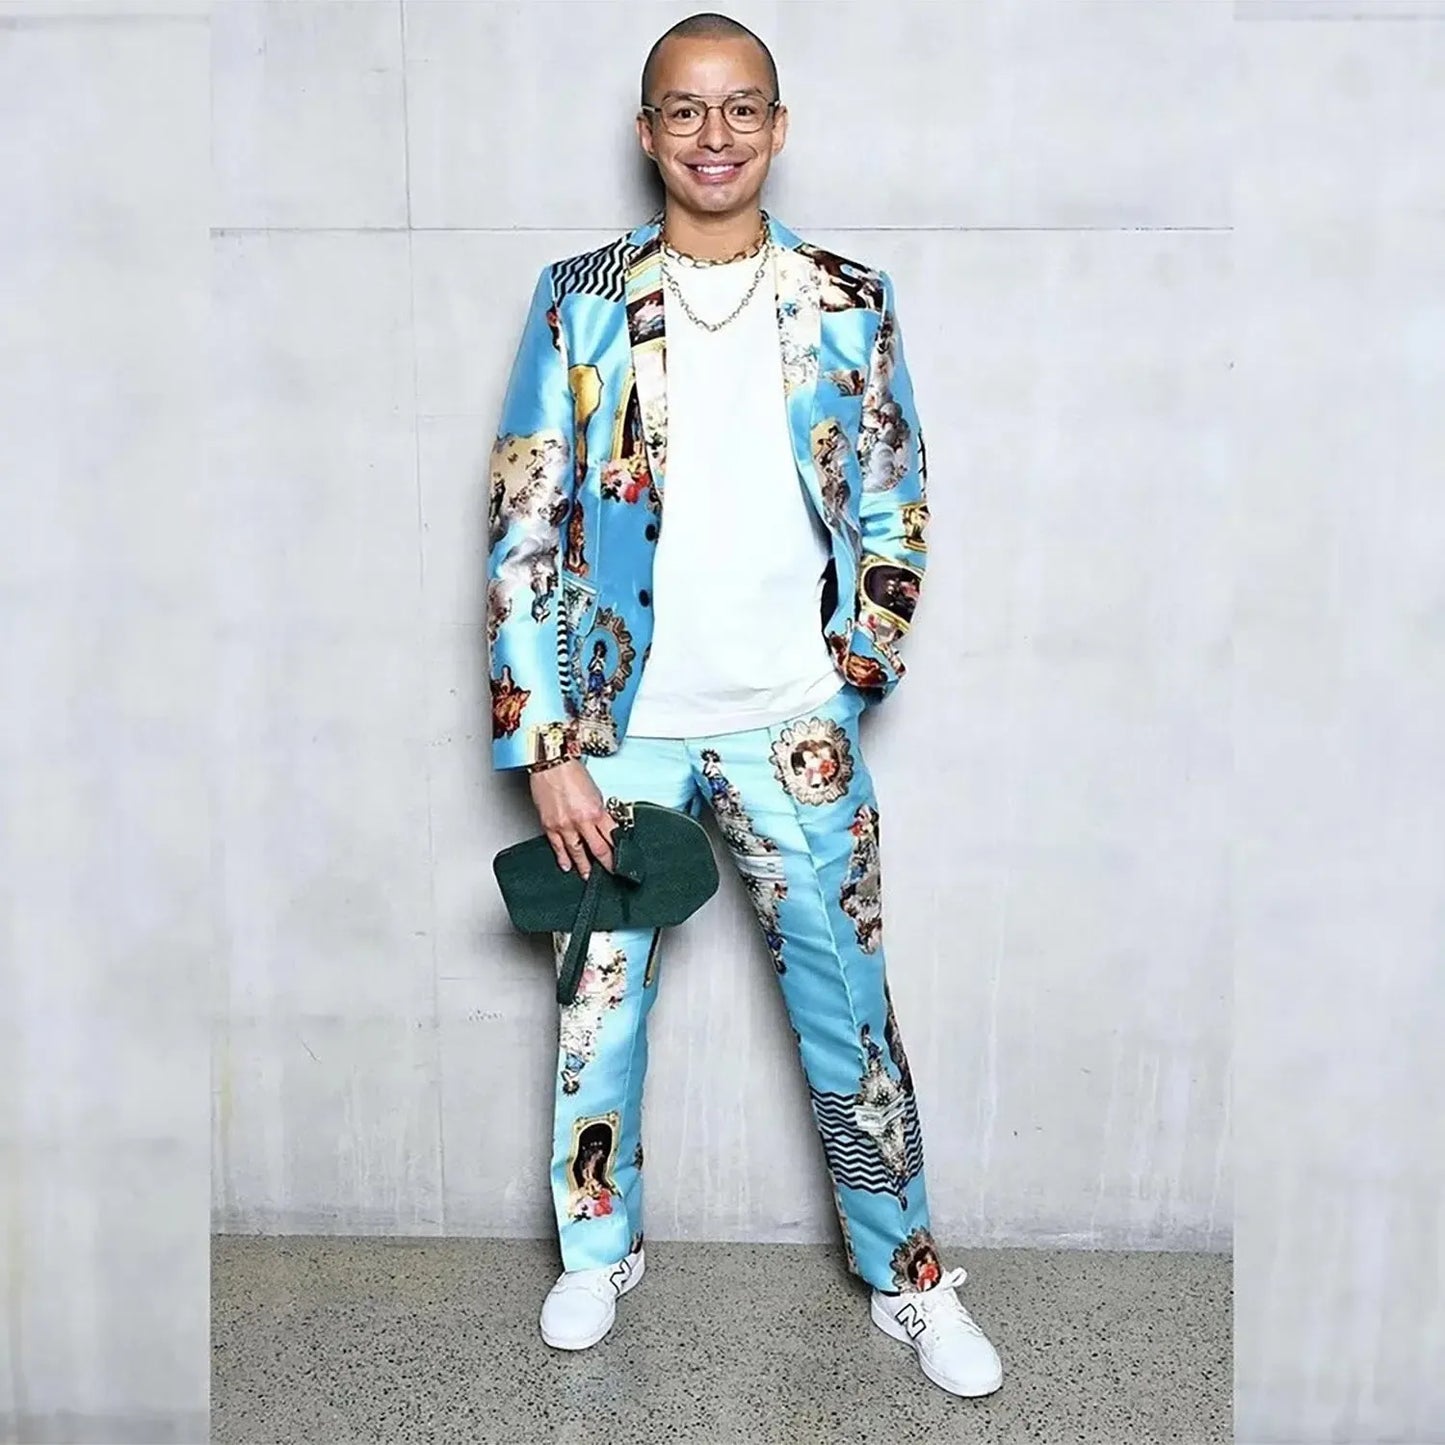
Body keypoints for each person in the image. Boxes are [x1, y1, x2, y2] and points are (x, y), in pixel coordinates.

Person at [486, 10, 1004, 1399]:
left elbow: (893, 496)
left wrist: (853, 671)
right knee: (597, 1004)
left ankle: (906, 1276)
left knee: (848, 1006)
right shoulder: (580, 297)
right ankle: (595, 1250)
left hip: (792, 722)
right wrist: (546, 746)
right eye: (683, 109)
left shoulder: (845, 295)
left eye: (739, 108)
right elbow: (525, 520)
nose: (712, 135)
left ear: (776, 126)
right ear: (646, 130)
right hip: (616, 729)